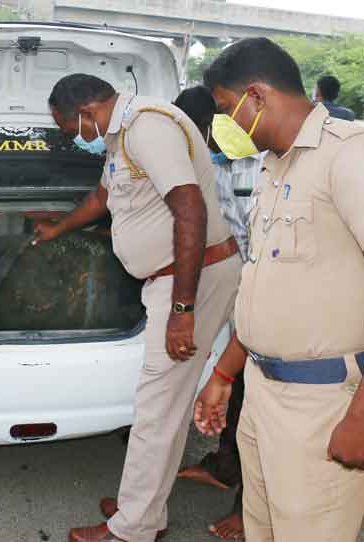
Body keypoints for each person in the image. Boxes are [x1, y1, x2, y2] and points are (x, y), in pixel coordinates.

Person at [40, 74, 242, 542]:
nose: (75, 139)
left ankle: (132, 529)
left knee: (156, 409)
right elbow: (102, 198)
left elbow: (190, 207)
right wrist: (57, 229)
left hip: (191, 282)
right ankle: (144, 508)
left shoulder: (148, 127)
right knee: (163, 405)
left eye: (71, 130)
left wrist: (182, 308)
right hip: (172, 281)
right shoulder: (121, 137)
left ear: (88, 112)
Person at [195, 37, 364, 542]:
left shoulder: (347, 155)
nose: (223, 123)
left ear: (256, 95)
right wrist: (226, 371)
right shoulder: (275, 165)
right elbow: (266, 284)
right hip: (264, 396)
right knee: (264, 528)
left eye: (225, 108)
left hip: (324, 403)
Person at [172, 85, 263, 541]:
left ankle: (249, 507)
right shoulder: (214, 162)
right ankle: (223, 467)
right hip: (240, 300)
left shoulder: (255, 163)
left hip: (266, 304)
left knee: (255, 407)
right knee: (238, 392)